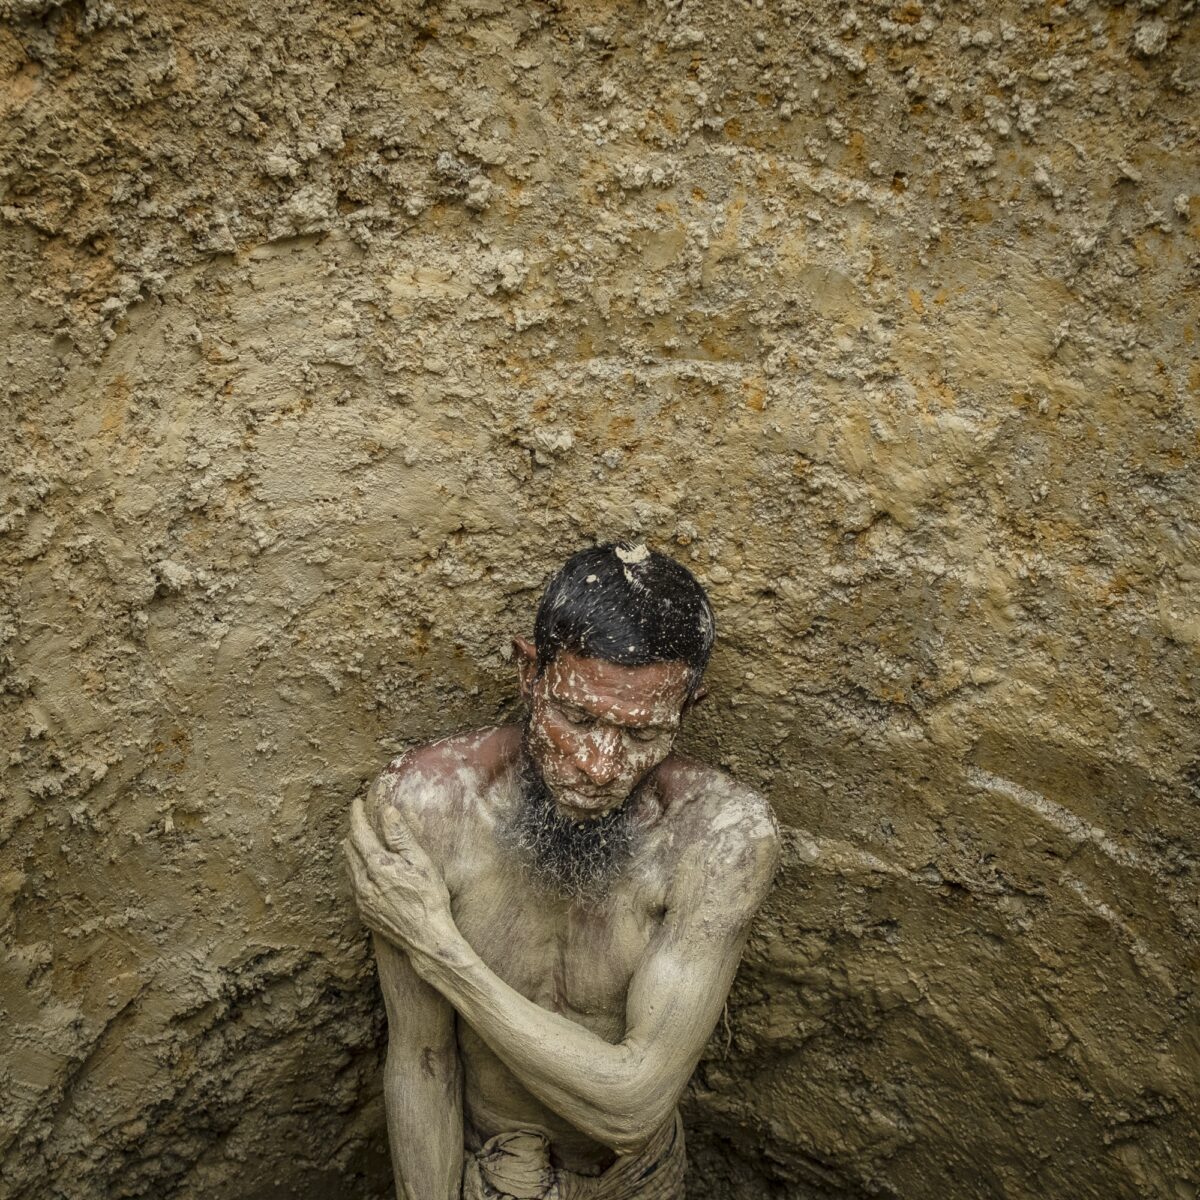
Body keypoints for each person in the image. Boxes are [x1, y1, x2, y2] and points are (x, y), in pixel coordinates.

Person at [344, 541, 779, 1200]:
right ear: (530, 675)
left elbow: (632, 1107)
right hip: (483, 1170)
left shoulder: (720, 838)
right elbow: (423, 1059)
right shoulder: (427, 809)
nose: (598, 766)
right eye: (576, 718)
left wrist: (439, 951)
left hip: (634, 1179)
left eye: (639, 735)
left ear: (688, 711)